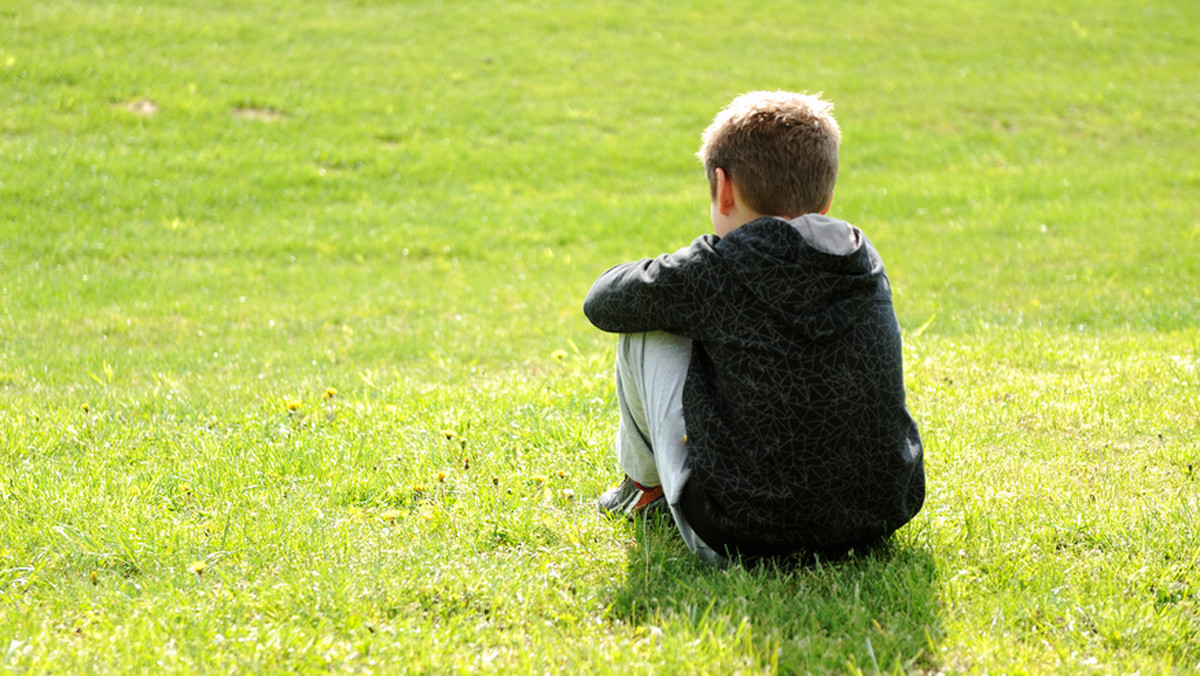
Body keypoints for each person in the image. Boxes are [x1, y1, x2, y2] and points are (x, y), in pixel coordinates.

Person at [583, 91, 925, 566]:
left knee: (645, 324)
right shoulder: (863, 259)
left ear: (723, 188)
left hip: (741, 534)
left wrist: (686, 264)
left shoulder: (717, 268)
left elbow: (603, 302)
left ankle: (644, 491)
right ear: (826, 198)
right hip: (876, 519)